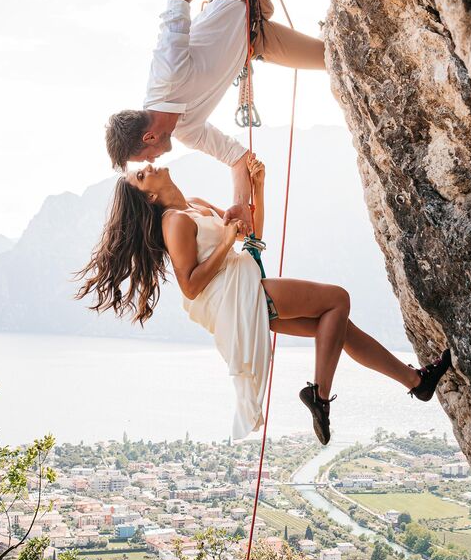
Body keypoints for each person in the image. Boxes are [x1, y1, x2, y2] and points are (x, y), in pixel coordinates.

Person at [77, 155, 452, 444]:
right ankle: (319, 395)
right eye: (141, 176)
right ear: (150, 196)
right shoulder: (174, 222)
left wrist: (258, 187)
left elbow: (252, 235)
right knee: (338, 300)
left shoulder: (194, 204)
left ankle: (416, 382)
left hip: (249, 292)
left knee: (339, 328)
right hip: (245, 297)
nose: (147, 166)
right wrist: (225, 242)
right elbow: (190, 286)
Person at [105, 0, 336, 229]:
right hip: (255, 41)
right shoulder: (187, 130)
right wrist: (239, 204)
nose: (152, 163)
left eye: (144, 158)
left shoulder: (165, 75)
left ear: (149, 136)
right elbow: (237, 158)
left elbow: (177, 0)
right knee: (333, 60)